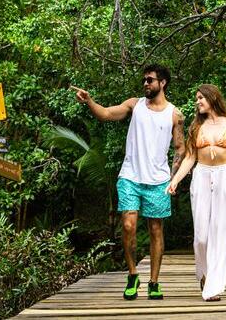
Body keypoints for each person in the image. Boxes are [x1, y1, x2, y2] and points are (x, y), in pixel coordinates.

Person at [73, 64, 185, 301]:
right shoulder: (135, 105)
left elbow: (179, 149)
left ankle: (154, 282)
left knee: (156, 229)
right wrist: (89, 101)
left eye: (150, 80)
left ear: (162, 83)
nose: (145, 83)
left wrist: (174, 178)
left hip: (158, 181)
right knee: (128, 226)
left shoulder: (175, 115)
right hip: (130, 176)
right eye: (144, 80)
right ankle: (133, 274)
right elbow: (105, 114)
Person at [166, 84, 226, 302]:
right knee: (201, 236)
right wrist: (175, 180)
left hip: (225, 176)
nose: (198, 102)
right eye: (197, 99)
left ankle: (214, 286)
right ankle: (204, 274)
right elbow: (190, 158)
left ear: (212, 98)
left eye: (201, 98)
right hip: (201, 176)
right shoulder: (196, 127)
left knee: (221, 232)